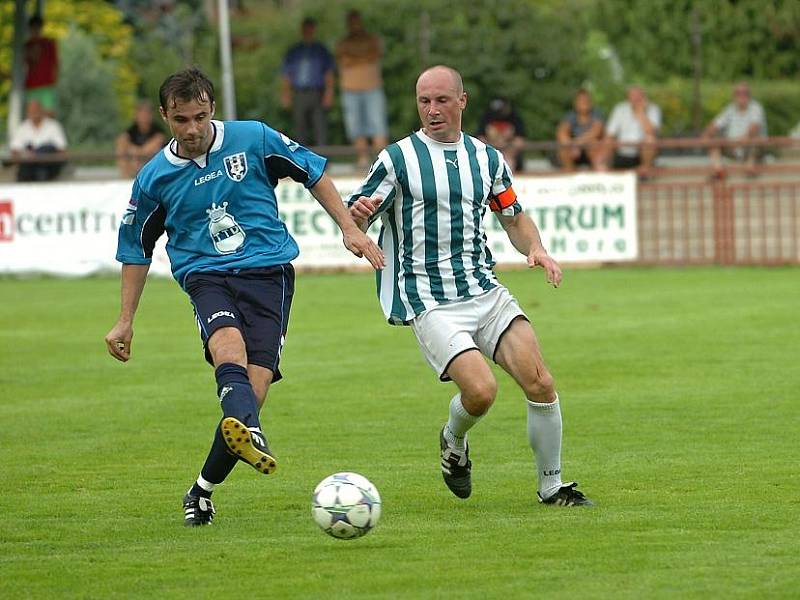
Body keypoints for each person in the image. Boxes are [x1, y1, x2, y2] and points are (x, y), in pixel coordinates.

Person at [104, 67, 384, 527]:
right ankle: (250, 430)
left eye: (198, 116)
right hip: (206, 276)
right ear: (164, 117)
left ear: (212, 108)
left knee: (250, 393)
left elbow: (314, 173)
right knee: (226, 347)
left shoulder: (253, 138)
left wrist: (349, 228)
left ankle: (202, 489)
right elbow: (135, 250)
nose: (191, 129)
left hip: (268, 274)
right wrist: (124, 319)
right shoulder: (154, 179)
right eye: (180, 120)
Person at [348, 66, 593, 507]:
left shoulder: (487, 158)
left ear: (462, 102)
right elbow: (358, 211)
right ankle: (453, 439)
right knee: (481, 391)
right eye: (424, 101)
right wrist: (360, 217)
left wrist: (535, 248)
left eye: (442, 100)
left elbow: (512, 216)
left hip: (483, 288)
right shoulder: (398, 159)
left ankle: (552, 487)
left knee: (540, 382)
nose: (432, 109)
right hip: (428, 297)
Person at [335, 10, 389, 169]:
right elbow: (343, 61)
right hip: (350, 89)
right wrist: (362, 58)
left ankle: (383, 162)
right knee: (355, 127)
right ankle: (363, 160)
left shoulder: (373, 39)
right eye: (351, 22)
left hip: (373, 87)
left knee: (378, 125)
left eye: (356, 21)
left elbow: (374, 55)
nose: (354, 25)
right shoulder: (342, 42)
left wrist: (354, 58)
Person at [280, 17, 336, 147]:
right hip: (299, 92)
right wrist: (285, 94)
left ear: (313, 30)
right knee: (300, 126)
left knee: (320, 126)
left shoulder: (321, 50)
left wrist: (329, 93)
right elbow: (287, 74)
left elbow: (328, 73)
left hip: (317, 92)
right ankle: (300, 160)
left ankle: (323, 156)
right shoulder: (294, 50)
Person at [702, 82, 767, 178]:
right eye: (738, 93)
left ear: (749, 95)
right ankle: (719, 170)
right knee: (714, 140)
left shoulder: (756, 108)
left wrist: (739, 140)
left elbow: (754, 128)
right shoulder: (730, 109)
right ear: (734, 96)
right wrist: (705, 135)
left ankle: (750, 167)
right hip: (734, 147)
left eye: (744, 93)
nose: (741, 96)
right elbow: (715, 125)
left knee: (755, 139)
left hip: (749, 147)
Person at [600, 85, 661, 177]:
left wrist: (640, 113)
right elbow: (610, 133)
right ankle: (602, 170)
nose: (635, 98)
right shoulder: (620, 108)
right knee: (607, 141)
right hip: (621, 150)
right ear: (627, 97)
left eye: (638, 95)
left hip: (642, 153)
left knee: (649, 140)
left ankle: (644, 170)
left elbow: (651, 132)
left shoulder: (653, 109)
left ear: (644, 96)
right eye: (632, 95)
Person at [9, 98, 67, 182]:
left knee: (47, 150)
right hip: (28, 169)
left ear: (41, 110)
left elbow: (62, 149)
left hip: (48, 168)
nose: (34, 113)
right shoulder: (22, 128)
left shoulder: (53, 126)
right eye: (31, 110)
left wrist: (38, 154)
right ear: (27, 112)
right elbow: (14, 150)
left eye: (36, 110)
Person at [115, 99, 166, 178]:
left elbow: (149, 148)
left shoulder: (158, 131)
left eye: (146, 114)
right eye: (141, 113)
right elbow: (122, 142)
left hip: (151, 165)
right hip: (134, 163)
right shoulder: (131, 131)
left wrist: (134, 150)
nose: (143, 117)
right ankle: (125, 178)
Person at [556, 88, 604, 171]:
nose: (584, 102)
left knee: (594, 145)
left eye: (587, 100)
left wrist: (576, 144)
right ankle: (569, 176)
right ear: (575, 103)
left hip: (591, 150)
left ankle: (598, 177)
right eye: (581, 100)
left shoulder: (597, 113)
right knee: (564, 150)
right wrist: (571, 145)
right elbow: (561, 133)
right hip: (574, 151)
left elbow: (596, 132)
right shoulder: (570, 116)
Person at [477, 96, 526, 172]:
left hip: (508, 152)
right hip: (490, 152)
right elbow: (480, 139)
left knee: (508, 162)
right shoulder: (487, 117)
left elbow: (520, 141)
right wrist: (493, 146)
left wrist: (506, 145)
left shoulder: (515, 118)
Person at [23, 14, 59, 115]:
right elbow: (24, 65)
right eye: (33, 28)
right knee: (32, 115)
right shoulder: (27, 46)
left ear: (41, 28)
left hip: (47, 85)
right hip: (31, 86)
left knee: (49, 115)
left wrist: (54, 83)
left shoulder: (50, 43)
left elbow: (56, 65)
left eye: (37, 28)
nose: (35, 31)